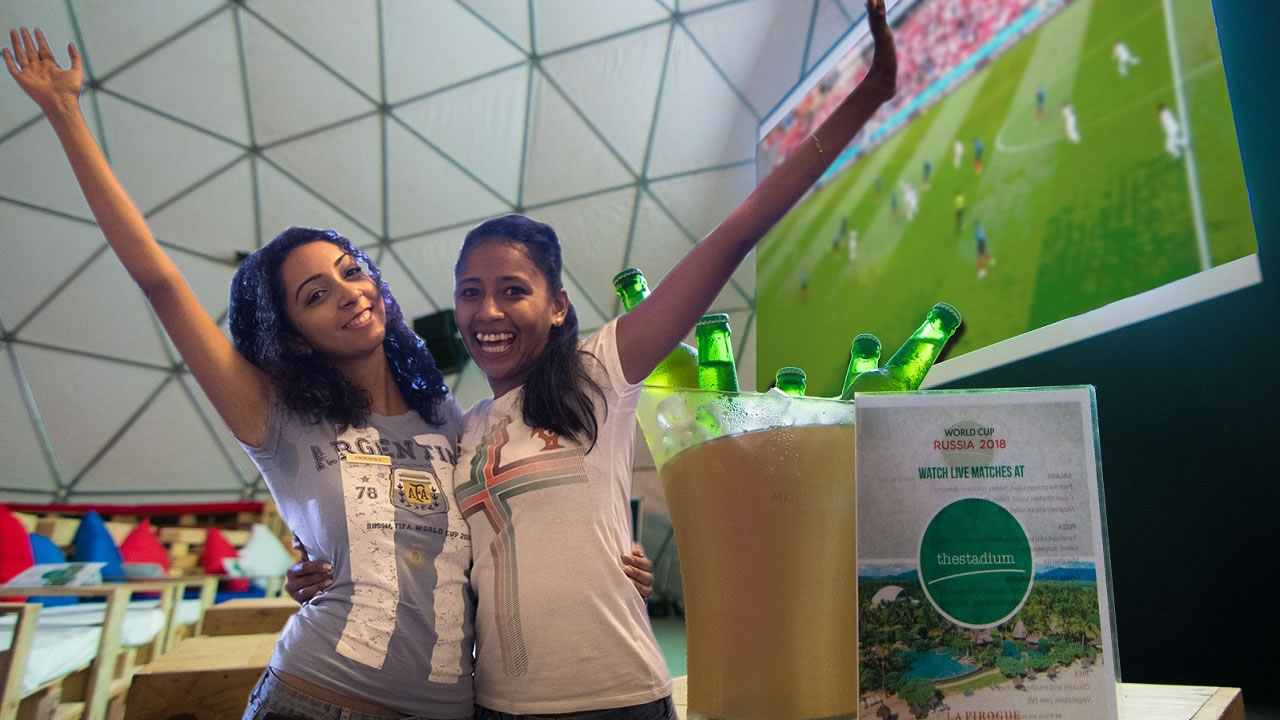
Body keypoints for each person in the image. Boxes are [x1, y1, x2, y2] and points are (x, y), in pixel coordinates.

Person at [4, 26, 652, 720]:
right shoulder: (273, 414)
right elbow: (161, 282)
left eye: (352, 272)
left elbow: (505, 539)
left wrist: (608, 560)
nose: (348, 292)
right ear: (296, 337)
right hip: (316, 699)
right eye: (315, 295)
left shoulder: (451, 419)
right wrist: (68, 115)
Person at [294, 1, 897, 717]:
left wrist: (869, 93)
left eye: (512, 291)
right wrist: (325, 571)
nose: (487, 312)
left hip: (621, 698)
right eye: (470, 293)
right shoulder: (459, 429)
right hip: (498, 706)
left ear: (555, 305)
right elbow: (425, 555)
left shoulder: (598, 372)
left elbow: (735, 234)